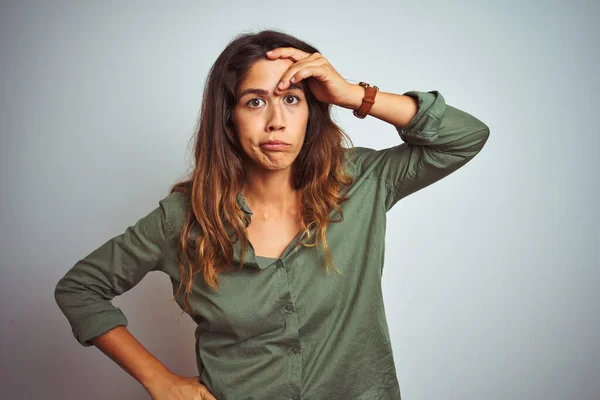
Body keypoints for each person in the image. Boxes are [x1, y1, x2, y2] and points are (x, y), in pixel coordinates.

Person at [54, 29, 490, 400]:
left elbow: (465, 137)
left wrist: (351, 93)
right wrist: (159, 380)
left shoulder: (360, 182)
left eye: (293, 99)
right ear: (229, 120)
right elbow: (80, 289)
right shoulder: (185, 217)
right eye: (256, 102)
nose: (276, 121)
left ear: (311, 113)